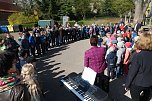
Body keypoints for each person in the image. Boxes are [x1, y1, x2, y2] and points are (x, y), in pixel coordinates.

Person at [125, 33, 152, 101]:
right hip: (149, 83)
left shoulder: (138, 56)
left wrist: (127, 84)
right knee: (146, 98)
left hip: (138, 83)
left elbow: (132, 72)